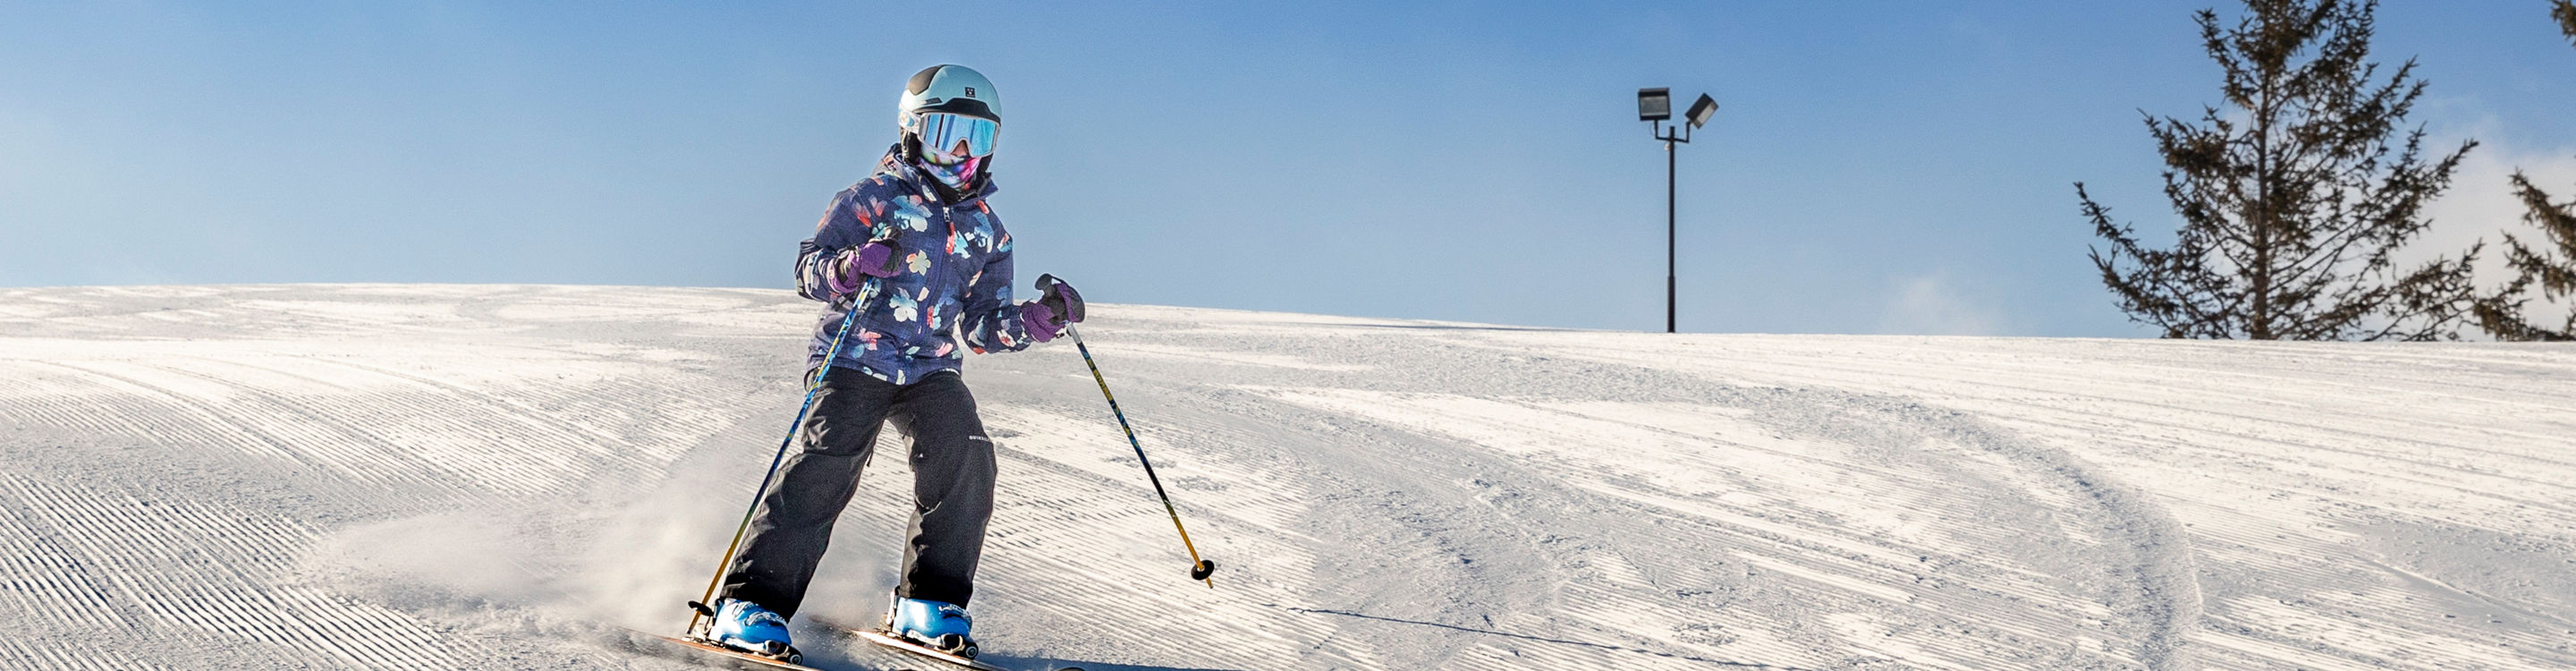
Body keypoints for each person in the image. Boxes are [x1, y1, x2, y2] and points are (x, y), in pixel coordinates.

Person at [706, 64, 1084, 660]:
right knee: (826, 466)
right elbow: (810, 270)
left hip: (929, 368)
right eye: (945, 132)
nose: (961, 150)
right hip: (854, 354)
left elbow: (984, 327)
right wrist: (850, 266)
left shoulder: (989, 232)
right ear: (912, 131)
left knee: (967, 457)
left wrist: (1035, 321)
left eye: (977, 137)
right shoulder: (871, 198)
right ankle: (750, 604)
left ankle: (927, 602)